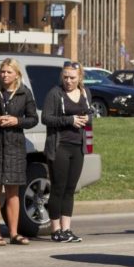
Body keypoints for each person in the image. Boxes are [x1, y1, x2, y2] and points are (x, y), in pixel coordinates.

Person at [0, 58, 38, 246]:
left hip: (15, 146)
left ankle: (14, 233)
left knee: (13, 191)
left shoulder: (24, 92)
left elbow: (33, 119)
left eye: (8, 72)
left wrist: (17, 121)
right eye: (2, 72)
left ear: (16, 74)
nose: (4, 75)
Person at [42, 61, 91, 243]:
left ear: (79, 78)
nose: (68, 81)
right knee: (58, 188)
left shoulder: (85, 93)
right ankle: (55, 230)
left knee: (70, 189)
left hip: (78, 146)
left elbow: (90, 113)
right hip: (59, 146)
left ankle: (67, 229)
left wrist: (88, 117)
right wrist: (69, 120)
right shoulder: (55, 93)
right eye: (65, 77)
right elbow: (46, 118)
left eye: (72, 78)